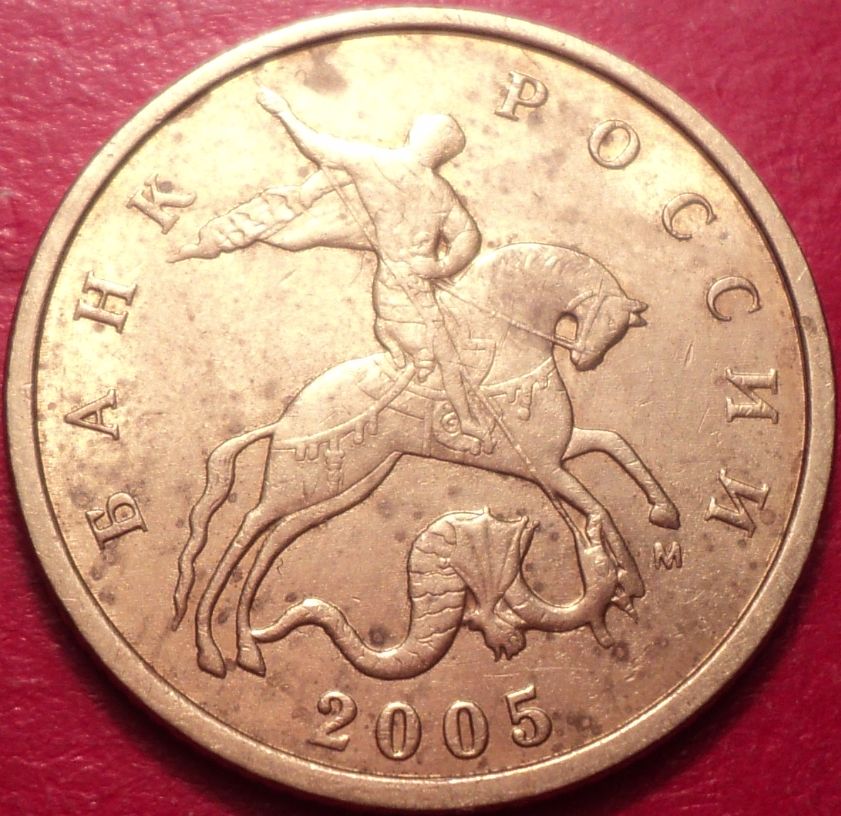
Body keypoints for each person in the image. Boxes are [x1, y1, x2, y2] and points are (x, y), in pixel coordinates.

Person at [256, 86, 492, 449]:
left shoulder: (385, 167)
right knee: (444, 355)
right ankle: (461, 421)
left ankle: (443, 404)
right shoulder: (430, 186)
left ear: (420, 136)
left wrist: (284, 112)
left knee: (440, 351)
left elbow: (318, 147)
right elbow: (467, 236)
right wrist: (440, 266)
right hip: (406, 289)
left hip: (404, 287)